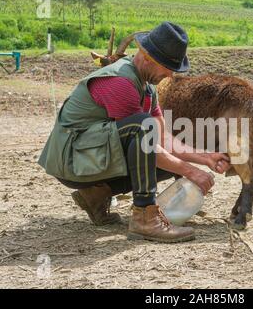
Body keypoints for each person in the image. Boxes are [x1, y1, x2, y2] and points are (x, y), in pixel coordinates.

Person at [38, 21, 230, 243]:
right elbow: (145, 137)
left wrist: (205, 158)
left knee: (160, 150)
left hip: (90, 155)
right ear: (147, 57)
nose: (170, 75)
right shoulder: (120, 82)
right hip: (70, 161)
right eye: (167, 66)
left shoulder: (147, 87)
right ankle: (145, 219)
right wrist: (190, 171)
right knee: (142, 127)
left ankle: (97, 194)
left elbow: (163, 138)